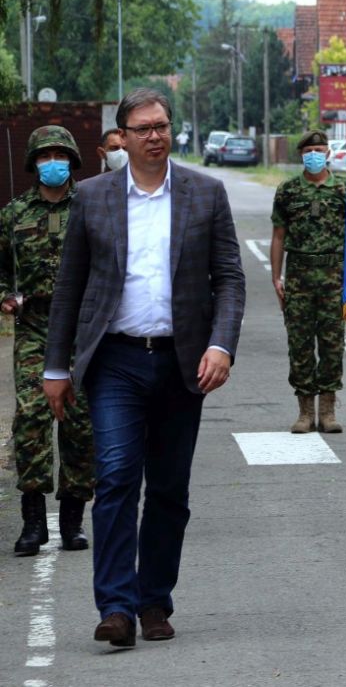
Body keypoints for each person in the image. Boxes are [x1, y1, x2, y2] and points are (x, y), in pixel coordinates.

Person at [43, 87, 246, 647]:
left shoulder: (205, 194)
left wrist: (221, 345)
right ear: (123, 138)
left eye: (162, 126)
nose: (155, 136)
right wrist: (56, 366)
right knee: (114, 480)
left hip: (184, 364)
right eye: (143, 129)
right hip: (116, 361)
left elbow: (229, 279)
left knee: (168, 492)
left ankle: (154, 600)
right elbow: (70, 288)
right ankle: (115, 606)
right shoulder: (94, 197)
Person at [1, 126, 95, 557]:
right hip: (35, 327)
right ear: (33, 162)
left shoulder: (92, 206)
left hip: (82, 327)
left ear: (73, 161)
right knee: (32, 419)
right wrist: (6, 295)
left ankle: (73, 520)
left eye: (60, 154)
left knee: (79, 422)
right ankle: (33, 523)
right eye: (45, 155)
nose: (52, 162)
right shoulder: (14, 212)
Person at [270, 130, 346, 434]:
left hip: (333, 275)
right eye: (309, 150)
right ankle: (305, 411)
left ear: (328, 153)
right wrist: (276, 277)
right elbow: (278, 236)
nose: (314, 154)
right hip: (300, 276)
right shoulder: (288, 191)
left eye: (319, 149)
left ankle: (327, 410)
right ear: (301, 155)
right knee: (300, 344)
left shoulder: (343, 189)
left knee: (331, 344)